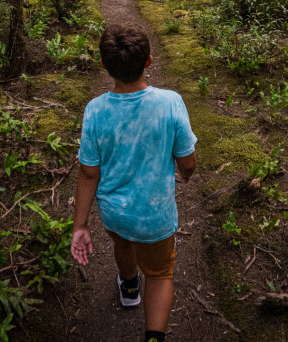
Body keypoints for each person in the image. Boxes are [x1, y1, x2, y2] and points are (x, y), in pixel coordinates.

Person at [71, 22, 197, 342]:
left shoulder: (95, 111)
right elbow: (187, 160)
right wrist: (185, 174)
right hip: (155, 217)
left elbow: (88, 172)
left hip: (114, 213)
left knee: (122, 242)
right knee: (159, 274)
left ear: (103, 66)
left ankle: (128, 286)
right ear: (149, 61)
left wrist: (80, 226)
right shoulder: (170, 103)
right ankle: (153, 337)